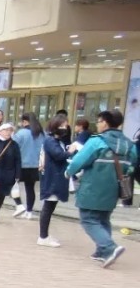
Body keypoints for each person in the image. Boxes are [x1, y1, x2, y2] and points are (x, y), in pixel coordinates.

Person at [65, 109, 136, 268]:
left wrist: (68, 172)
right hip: (114, 189)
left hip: (92, 188)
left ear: (105, 122)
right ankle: (101, 251)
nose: (97, 125)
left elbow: (78, 161)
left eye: (98, 121)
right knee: (103, 218)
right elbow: (132, 167)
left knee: (88, 219)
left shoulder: (97, 141)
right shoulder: (129, 145)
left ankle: (109, 248)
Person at [37, 116, 73, 248]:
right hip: (52, 179)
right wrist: (70, 151)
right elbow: (59, 155)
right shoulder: (50, 140)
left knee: (50, 207)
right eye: (62, 125)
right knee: (48, 207)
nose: (65, 128)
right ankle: (43, 236)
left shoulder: (58, 141)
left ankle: (44, 235)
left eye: (66, 125)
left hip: (56, 178)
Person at [12, 112, 44, 220]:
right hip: (35, 166)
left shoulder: (21, 133)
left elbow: (13, 147)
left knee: (12, 185)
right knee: (30, 188)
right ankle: (29, 211)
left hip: (21, 165)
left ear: (24, 121)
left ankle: (19, 205)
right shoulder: (41, 134)